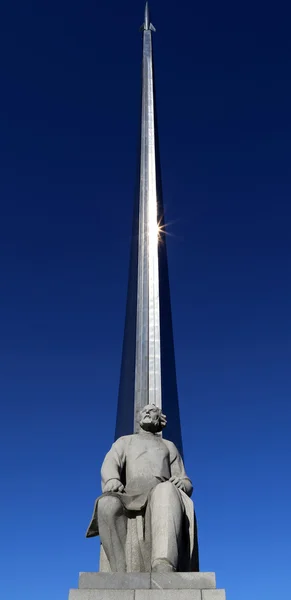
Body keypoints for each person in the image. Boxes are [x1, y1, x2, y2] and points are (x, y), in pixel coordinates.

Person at [86, 404, 196, 573]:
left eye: (151, 411)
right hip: (129, 494)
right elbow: (110, 463)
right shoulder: (125, 441)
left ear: (159, 419)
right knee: (106, 504)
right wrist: (112, 479)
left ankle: (163, 564)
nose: (146, 412)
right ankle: (119, 572)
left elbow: (185, 479)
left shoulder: (168, 446)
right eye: (143, 411)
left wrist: (182, 484)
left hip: (158, 493)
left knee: (165, 490)